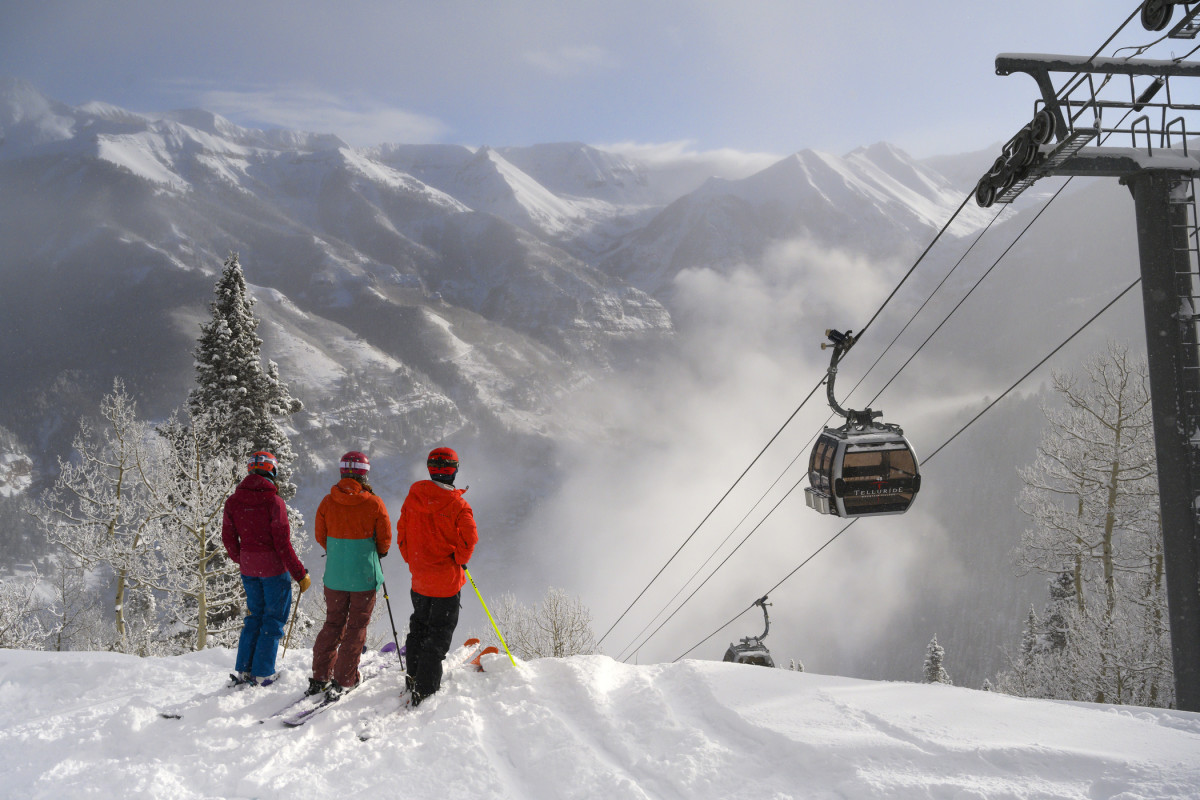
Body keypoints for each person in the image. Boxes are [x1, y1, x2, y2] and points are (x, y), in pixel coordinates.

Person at [397, 446, 478, 706]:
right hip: (446, 583)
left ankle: (413, 676)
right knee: (438, 635)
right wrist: (458, 560)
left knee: (418, 627)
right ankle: (426, 687)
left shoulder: (413, 498)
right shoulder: (458, 505)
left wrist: (415, 560)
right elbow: (470, 539)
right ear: (454, 470)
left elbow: (402, 536)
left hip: (419, 579)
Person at [222, 450, 310, 686]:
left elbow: (229, 539)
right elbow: (282, 543)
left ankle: (244, 670)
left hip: (249, 570)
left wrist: (244, 559)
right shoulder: (274, 502)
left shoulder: (233, 501)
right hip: (273, 570)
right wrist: (300, 574)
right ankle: (263, 673)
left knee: (254, 617)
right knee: (272, 620)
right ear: (273, 470)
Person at [309, 451, 391, 699]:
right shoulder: (374, 503)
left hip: (334, 577)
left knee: (333, 623)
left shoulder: (327, 502)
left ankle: (320, 675)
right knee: (356, 626)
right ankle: (345, 678)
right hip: (363, 577)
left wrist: (339, 552)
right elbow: (385, 541)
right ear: (365, 474)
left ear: (342, 471)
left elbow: (320, 536)